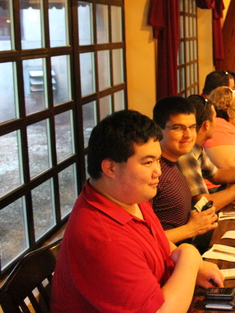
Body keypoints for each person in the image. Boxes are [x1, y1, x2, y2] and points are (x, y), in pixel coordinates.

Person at [50, 110, 223, 313]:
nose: (158, 171)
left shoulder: (128, 196)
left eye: (158, 160)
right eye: (148, 162)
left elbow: (156, 240)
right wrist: (190, 257)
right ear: (110, 168)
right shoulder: (104, 238)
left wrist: (195, 266)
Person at [151, 96, 219, 245]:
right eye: (178, 128)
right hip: (172, 256)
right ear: (158, 129)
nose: (188, 135)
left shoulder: (175, 162)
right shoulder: (153, 173)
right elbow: (143, 240)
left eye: (192, 127)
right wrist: (191, 229)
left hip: (189, 247)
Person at [180, 94, 235, 210]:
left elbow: (217, 175)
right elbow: (203, 205)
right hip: (195, 214)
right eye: (215, 118)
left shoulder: (196, 147)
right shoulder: (186, 154)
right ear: (207, 125)